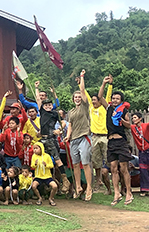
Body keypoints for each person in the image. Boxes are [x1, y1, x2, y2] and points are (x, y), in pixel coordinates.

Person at [99, 83, 134, 206]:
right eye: (113, 98)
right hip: (111, 141)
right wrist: (104, 83)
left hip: (121, 141)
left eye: (117, 99)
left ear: (121, 101)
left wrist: (121, 120)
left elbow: (129, 126)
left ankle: (129, 193)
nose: (114, 100)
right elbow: (100, 96)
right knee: (113, 168)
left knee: (123, 168)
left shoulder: (124, 111)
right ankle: (116, 193)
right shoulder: (108, 108)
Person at [33, 91, 71, 194]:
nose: (48, 106)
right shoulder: (42, 112)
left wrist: (59, 130)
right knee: (40, 157)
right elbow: (38, 99)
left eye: (50, 105)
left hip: (51, 139)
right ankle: (44, 183)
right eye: (46, 105)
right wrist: (36, 88)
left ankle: (65, 180)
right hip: (42, 139)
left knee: (57, 160)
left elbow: (63, 122)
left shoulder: (55, 114)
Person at [64, 69, 93, 201]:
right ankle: (78, 186)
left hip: (84, 137)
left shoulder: (85, 106)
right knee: (75, 164)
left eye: (79, 97)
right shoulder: (70, 112)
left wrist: (81, 77)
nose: (77, 98)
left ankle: (89, 188)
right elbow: (70, 125)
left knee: (85, 163)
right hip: (73, 140)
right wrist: (68, 136)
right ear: (73, 99)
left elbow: (82, 90)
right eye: (75, 97)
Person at [87, 75, 112, 191]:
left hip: (105, 137)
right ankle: (98, 181)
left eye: (95, 100)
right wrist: (80, 81)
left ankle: (110, 181)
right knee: (96, 161)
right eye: (92, 100)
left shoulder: (104, 108)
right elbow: (84, 94)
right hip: (95, 137)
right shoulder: (91, 108)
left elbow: (106, 95)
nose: (93, 101)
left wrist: (107, 84)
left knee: (108, 159)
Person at [31, 142, 58, 206]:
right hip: (38, 176)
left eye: (36, 148)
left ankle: (51, 198)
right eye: (34, 148)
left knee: (55, 186)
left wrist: (46, 165)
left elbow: (51, 165)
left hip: (47, 176)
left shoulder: (47, 156)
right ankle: (39, 198)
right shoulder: (34, 156)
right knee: (33, 186)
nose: (35, 150)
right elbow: (32, 166)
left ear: (41, 148)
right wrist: (35, 164)